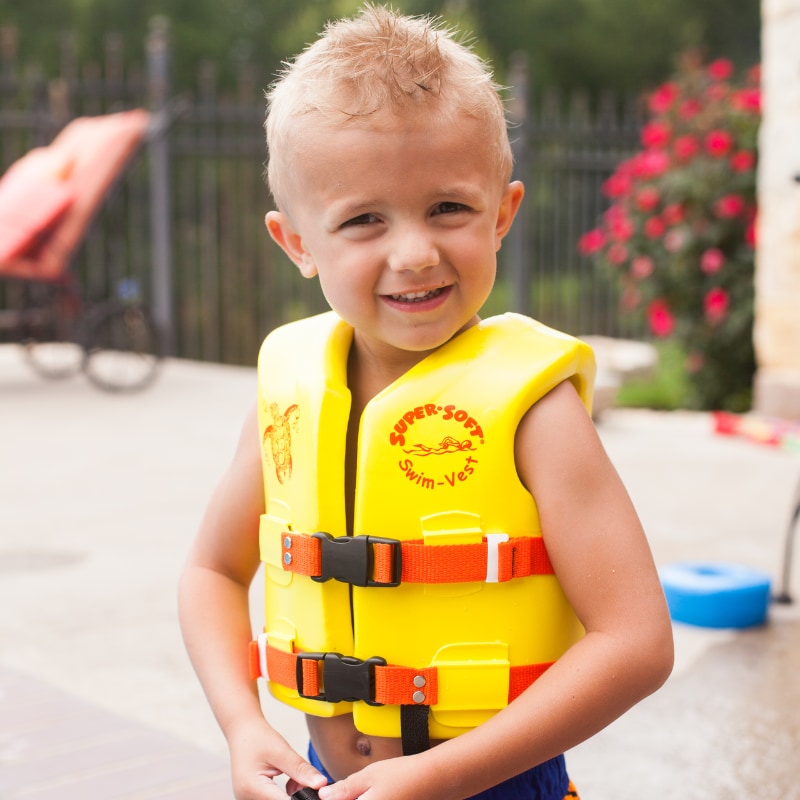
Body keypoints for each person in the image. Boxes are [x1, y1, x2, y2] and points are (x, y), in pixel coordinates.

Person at [177, 5, 674, 800]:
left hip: (495, 784)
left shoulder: (537, 410)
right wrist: (244, 726)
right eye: (364, 220)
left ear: (503, 212)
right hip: (320, 775)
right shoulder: (291, 387)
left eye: (449, 207)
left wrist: (440, 775)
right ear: (297, 242)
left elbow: (637, 642)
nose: (415, 253)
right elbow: (211, 569)